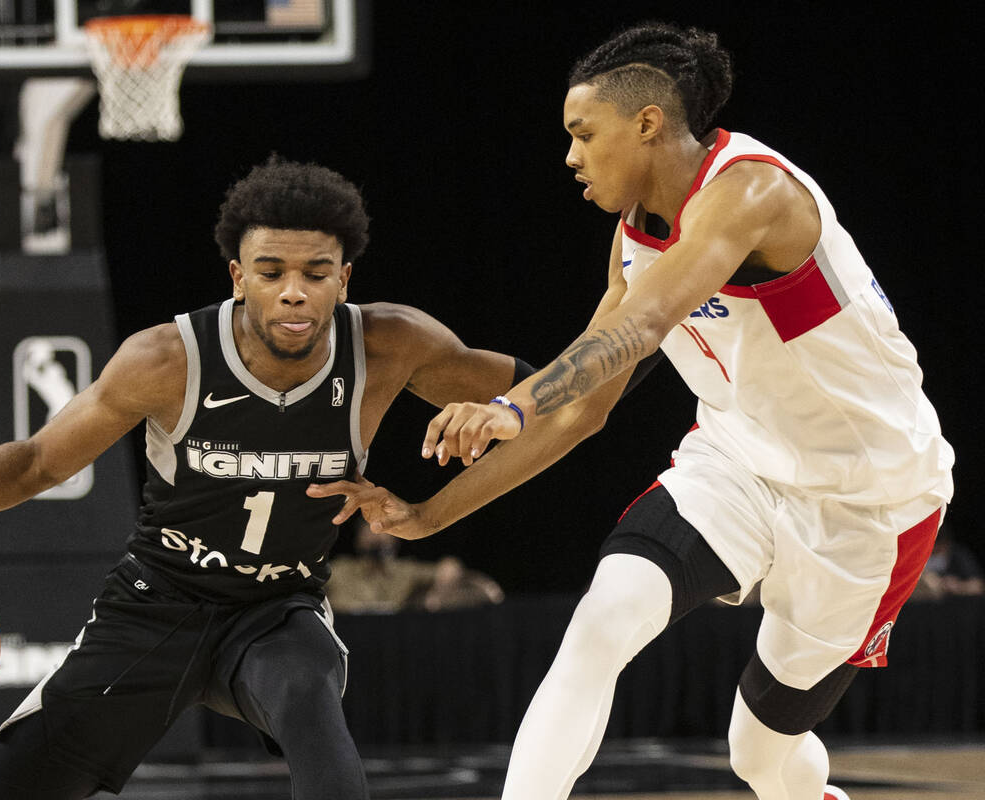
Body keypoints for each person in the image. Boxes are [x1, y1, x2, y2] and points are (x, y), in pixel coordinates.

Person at [309, 22, 954, 800]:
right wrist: (428, 516)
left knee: (761, 756)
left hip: (870, 499)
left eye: (583, 134)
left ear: (647, 123)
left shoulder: (754, 192)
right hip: (736, 465)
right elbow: (581, 412)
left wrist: (509, 404)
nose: (571, 156)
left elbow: (640, 329)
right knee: (600, 623)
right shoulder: (632, 241)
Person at [0, 156, 528, 800]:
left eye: (316, 273)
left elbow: (550, 398)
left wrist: (568, 381)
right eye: (271, 271)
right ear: (237, 275)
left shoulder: (388, 343)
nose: (293, 293)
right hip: (155, 604)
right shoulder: (166, 359)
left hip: (276, 609)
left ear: (344, 278)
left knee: (308, 693)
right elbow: (37, 461)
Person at [325, 518, 503, 613]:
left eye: (383, 532)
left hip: (395, 642)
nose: (377, 537)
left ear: (395, 539)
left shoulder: (406, 570)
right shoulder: (339, 570)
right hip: (348, 639)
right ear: (358, 539)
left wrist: (438, 594)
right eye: (369, 531)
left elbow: (448, 568)